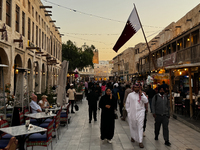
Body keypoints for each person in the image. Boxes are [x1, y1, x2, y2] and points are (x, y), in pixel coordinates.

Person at [126, 83, 148, 148]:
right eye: (135, 87)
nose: (136, 89)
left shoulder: (142, 94)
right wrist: (129, 112)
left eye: (137, 87)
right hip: (132, 113)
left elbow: (146, 101)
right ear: (133, 88)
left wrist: (141, 94)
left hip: (140, 113)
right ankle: (133, 136)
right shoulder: (130, 95)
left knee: (140, 126)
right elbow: (127, 104)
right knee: (133, 125)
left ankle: (140, 141)